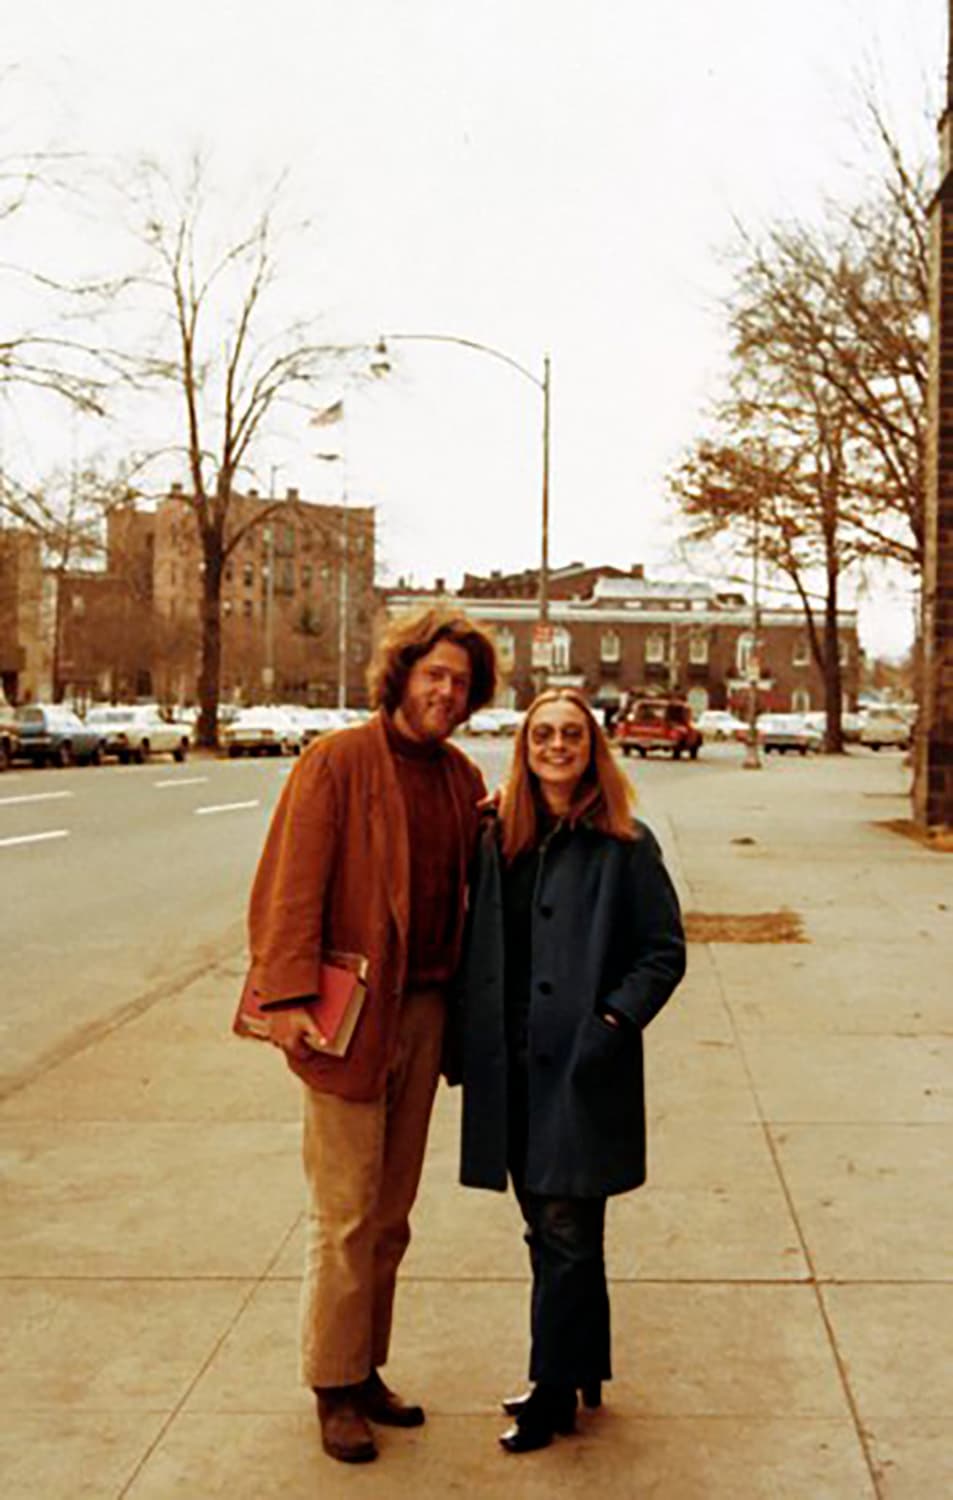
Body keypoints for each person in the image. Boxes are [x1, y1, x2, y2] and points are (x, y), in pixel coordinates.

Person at [246, 608, 496, 1465]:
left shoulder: (462, 779)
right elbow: (291, 882)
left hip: (426, 1010)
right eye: (433, 674)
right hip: (347, 1012)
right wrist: (285, 1001)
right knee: (345, 1212)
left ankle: (365, 1366)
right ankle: (332, 1386)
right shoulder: (338, 762)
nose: (446, 692)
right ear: (400, 674)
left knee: (391, 1214)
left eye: (460, 682)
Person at [456, 687, 686, 1453]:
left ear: (593, 749)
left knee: (565, 1227)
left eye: (572, 736)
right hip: (510, 1063)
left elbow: (662, 952)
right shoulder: (496, 837)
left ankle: (553, 1392)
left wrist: (612, 1022)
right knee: (547, 1228)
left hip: (581, 1067)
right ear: (523, 747)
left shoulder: (625, 843)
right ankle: (577, 1365)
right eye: (542, 734)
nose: (556, 745)